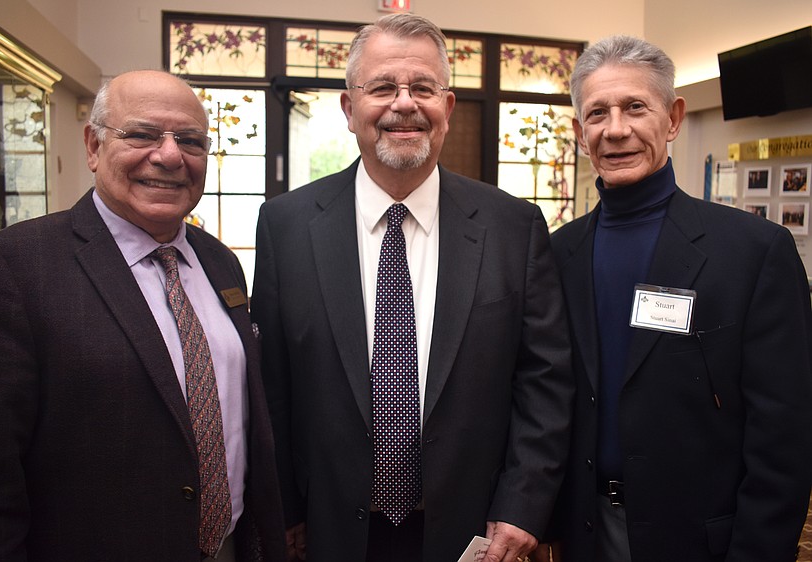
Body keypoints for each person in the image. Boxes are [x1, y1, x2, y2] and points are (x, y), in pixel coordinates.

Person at [249, 13, 573, 562]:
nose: (405, 104)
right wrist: (284, 509)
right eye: (382, 88)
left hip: (473, 531)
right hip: (330, 530)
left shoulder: (513, 227)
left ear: (446, 109)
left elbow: (544, 381)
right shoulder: (285, 226)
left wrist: (523, 504)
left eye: (423, 88)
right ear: (350, 109)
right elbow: (273, 386)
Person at [0, 70, 286, 562]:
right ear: (93, 146)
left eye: (191, 141)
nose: (170, 156)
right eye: (142, 135)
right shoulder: (12, 267)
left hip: (233, 547)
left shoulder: (222, 262)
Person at [540, 35, 812, 562]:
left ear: (673, 118)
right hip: (586, 533)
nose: (616, 129)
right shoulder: (557, 255)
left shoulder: (754, 252)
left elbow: (783, 437)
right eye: (597, 113)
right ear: (579, 133)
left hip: (703, 540)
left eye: (635, 107)